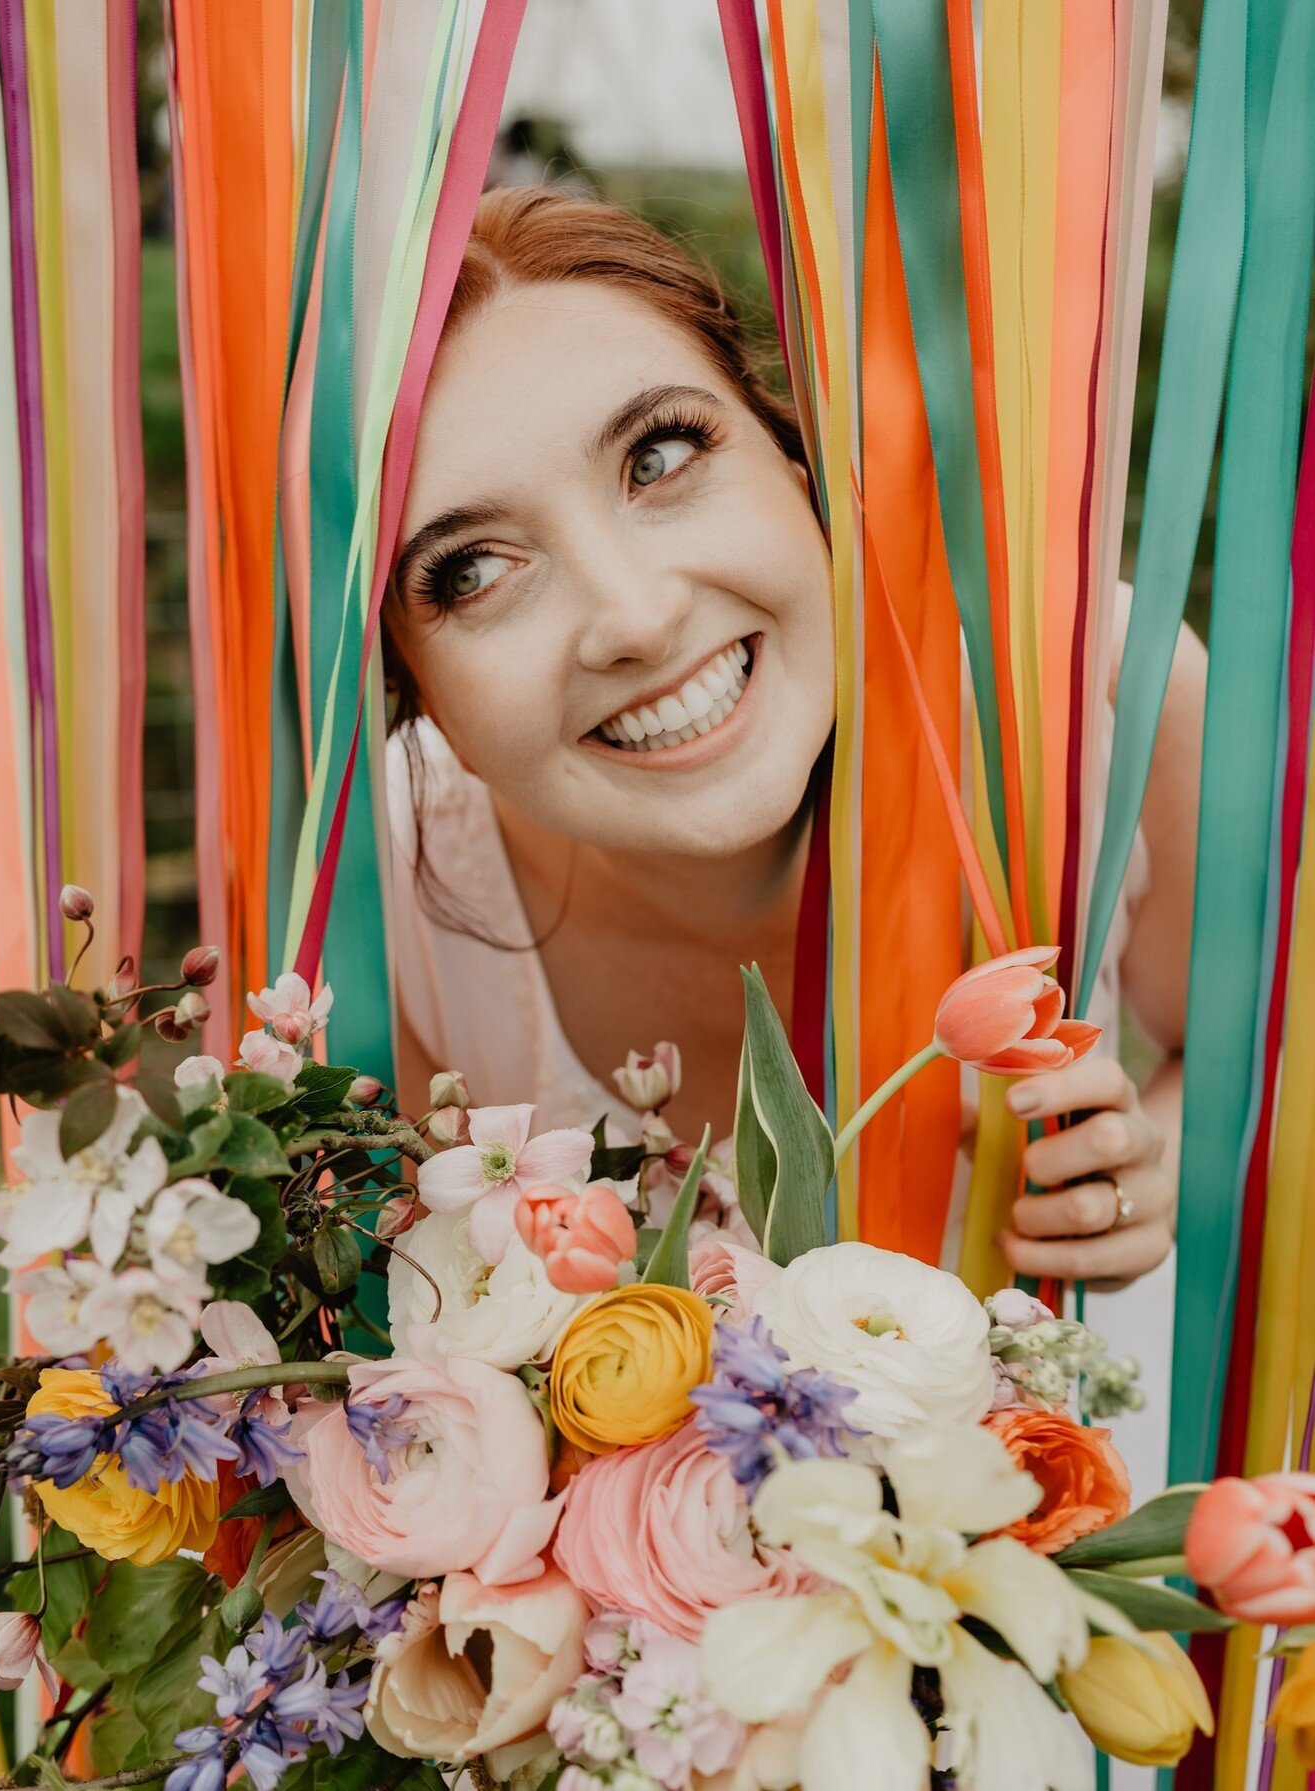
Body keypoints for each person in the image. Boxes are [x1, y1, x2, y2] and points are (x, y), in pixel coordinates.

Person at [381, 184, 1206, 1308]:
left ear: (794, 462)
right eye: (470, 569)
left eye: (659, 457)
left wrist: (1153, 1169)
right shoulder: (395, 897)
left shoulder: (1098, 692)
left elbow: (1246, 1065)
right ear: (413, 691)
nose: (634, 617)